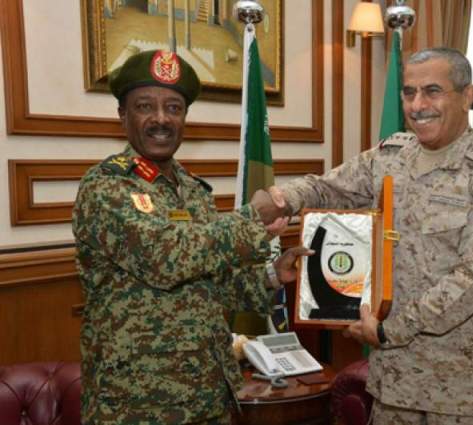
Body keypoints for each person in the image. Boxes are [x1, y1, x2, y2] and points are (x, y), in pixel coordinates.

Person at [269, 47, 473, 425]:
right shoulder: (391, 155)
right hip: (393, 385)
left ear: (467, 96)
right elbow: (330, 188)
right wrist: (283, 200)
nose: (418, 105)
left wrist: (390, 329)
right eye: (409, 93)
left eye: (433, 91)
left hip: (463, 393)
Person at [72, 49, 309, 425]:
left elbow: (210, 282)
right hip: (137, 404)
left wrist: (270, 276)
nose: (161, 119)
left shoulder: (193, 190)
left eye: (174, 108)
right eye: (145, 106)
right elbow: (164, 259)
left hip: (206, 393)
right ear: (122, 115)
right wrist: (252, 217)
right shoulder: (106, 187)